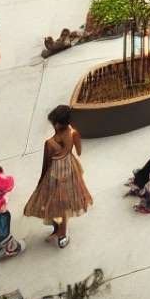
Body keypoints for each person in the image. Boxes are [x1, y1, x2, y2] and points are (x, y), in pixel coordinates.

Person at [23, 105, 92, 249]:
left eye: (54, 123)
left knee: (55, 203)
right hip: (70, 169)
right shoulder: (74, 133)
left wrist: (41, 181)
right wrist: (68, 149)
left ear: (57, 123)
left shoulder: (49, 143)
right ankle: (60, 231)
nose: (54, 125)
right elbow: (78, 151)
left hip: (55, 173)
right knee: (63, 203)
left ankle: (62, 232)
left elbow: (46, 164)